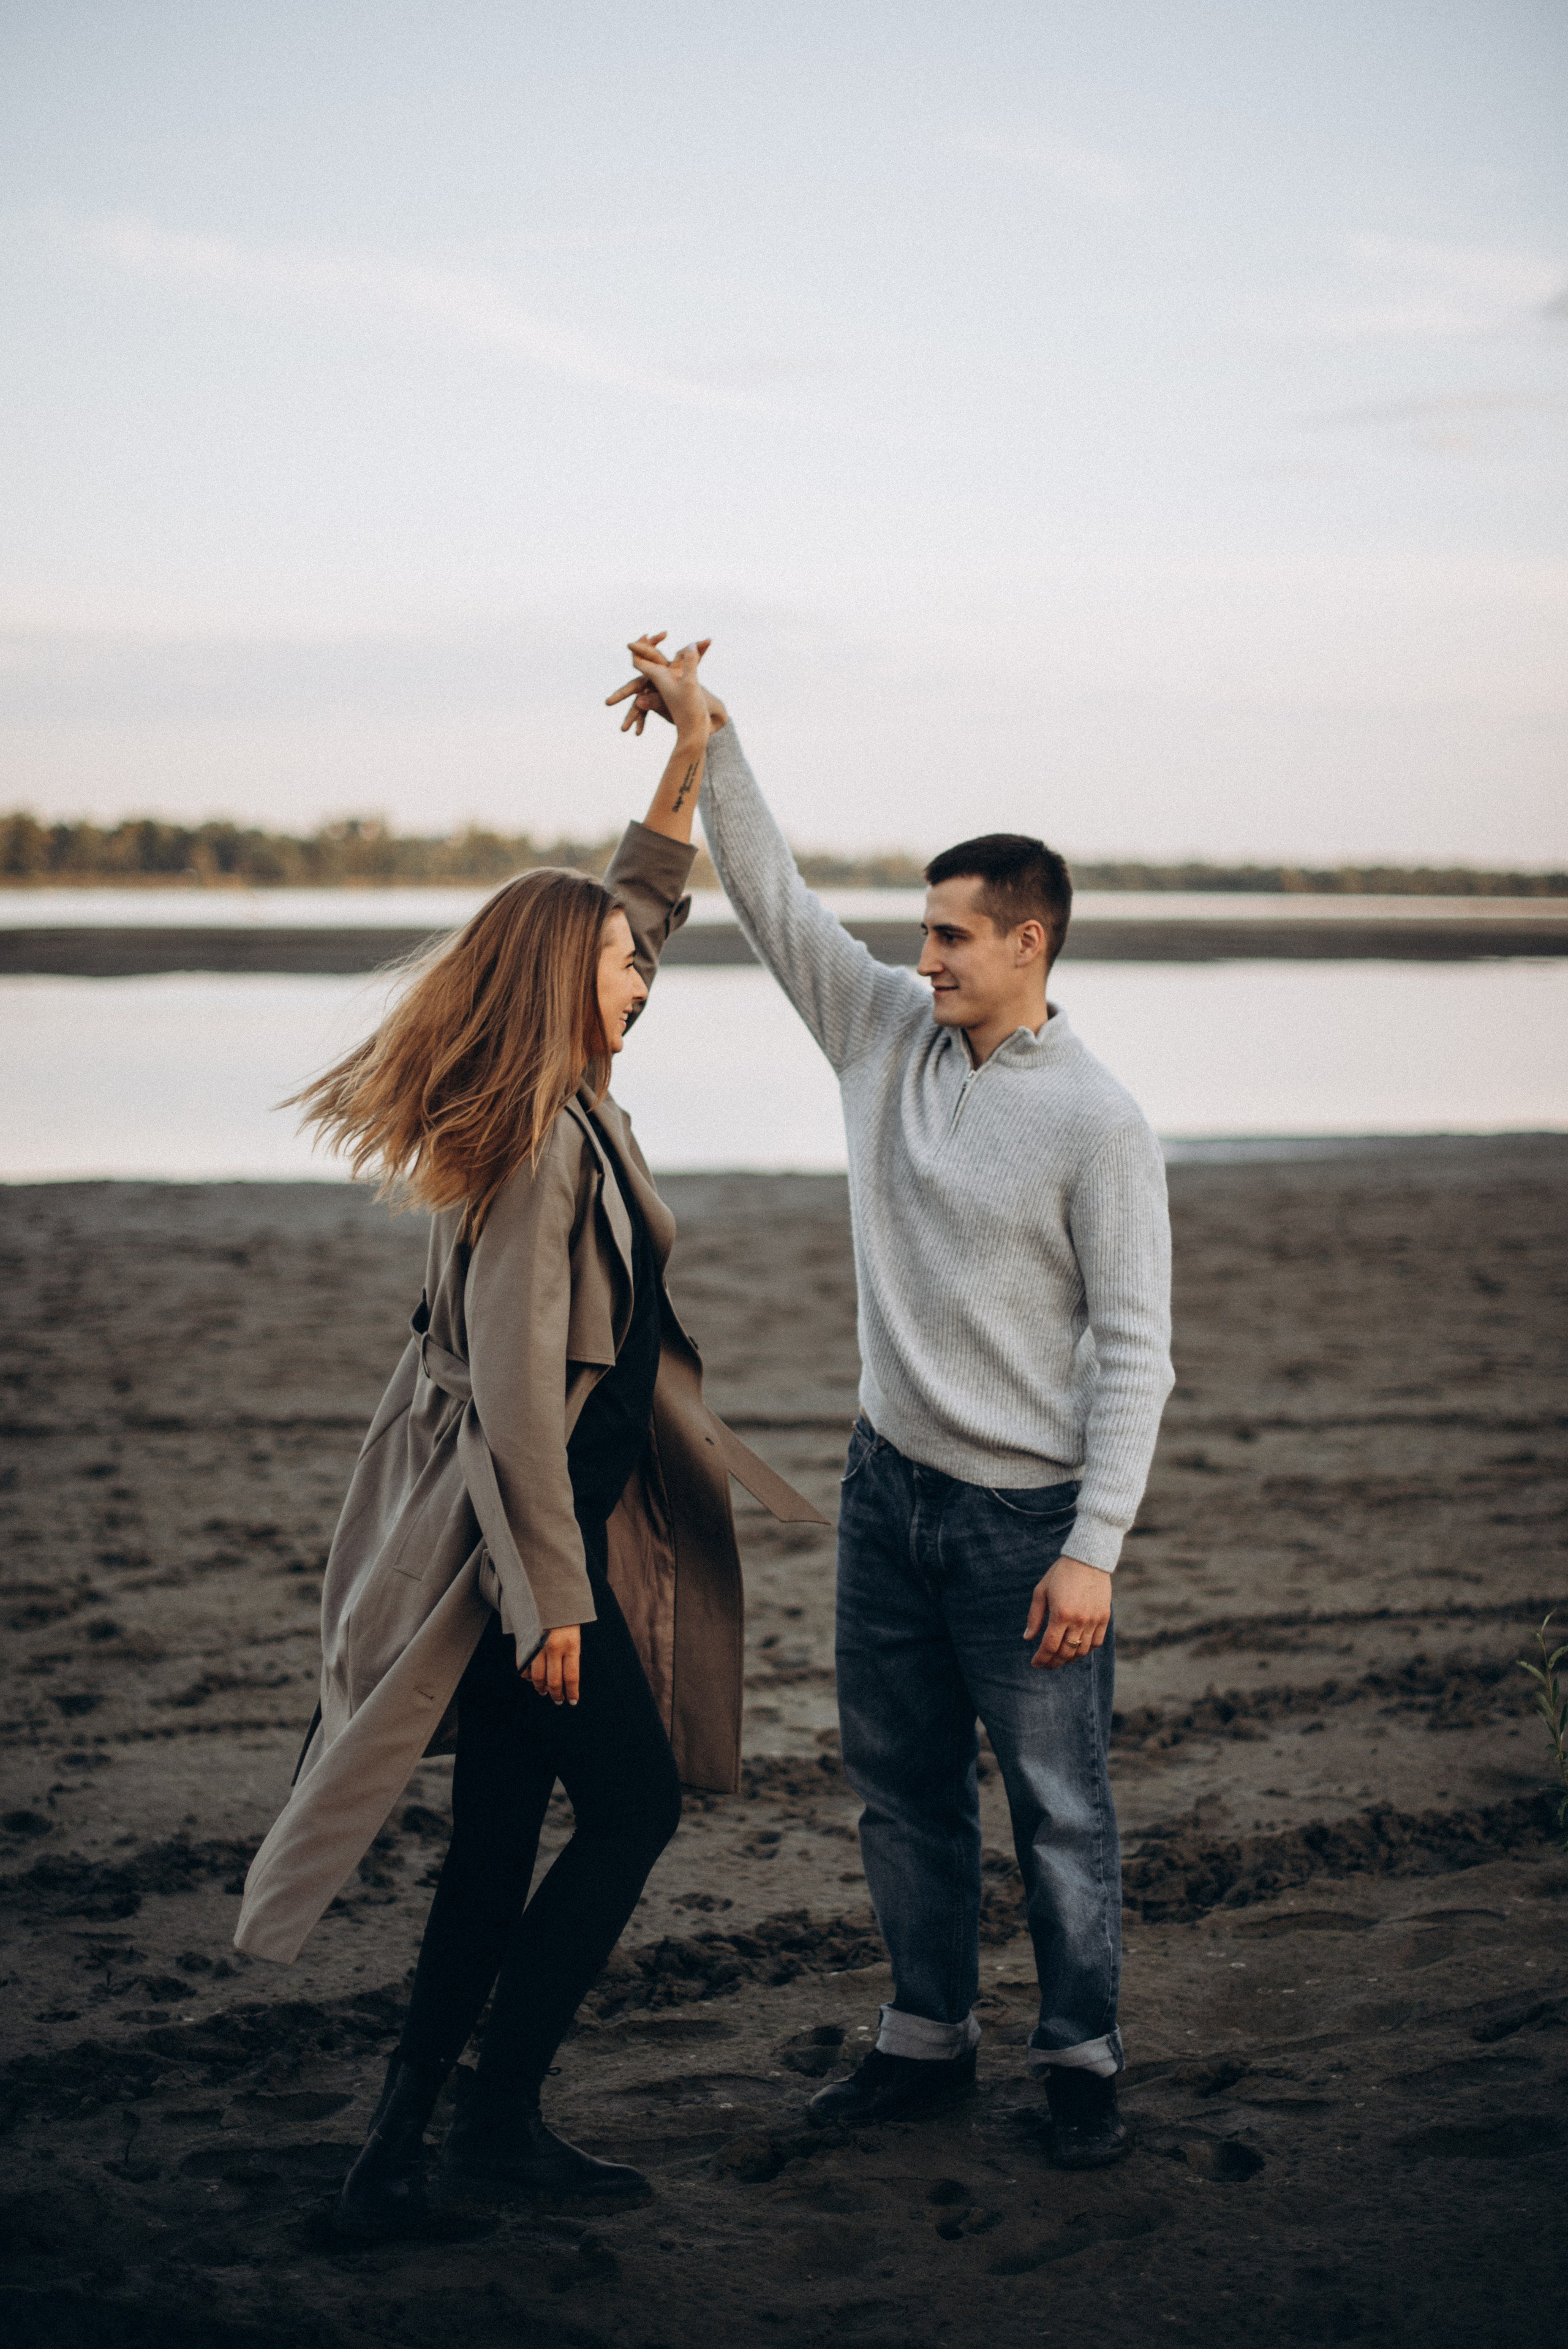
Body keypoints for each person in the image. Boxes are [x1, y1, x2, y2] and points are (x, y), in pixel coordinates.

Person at [233, 645, 823, 2237]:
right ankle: (479, 2116)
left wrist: (692, 746)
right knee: (627, 1807)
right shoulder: (536, 1148)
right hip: (517, 1545)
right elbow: (508, 1397)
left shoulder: (556, 1093)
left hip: (527, 1535)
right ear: (572, 981)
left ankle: (412, 2146)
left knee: (498, 1842)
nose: (648, 975)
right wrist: (551, 1602)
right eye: (628, 966)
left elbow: (639, 897)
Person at [609, 635, 1174, 2171]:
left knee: (1058, 1806)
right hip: (887, 1495)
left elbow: (1135, 1350)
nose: (918, 958)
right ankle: (923, 2041)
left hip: (1024, 1525)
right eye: (920, 935)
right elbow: (774, 897)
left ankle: (1080, 2058)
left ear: (1029, 946)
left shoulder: (1098, 1124)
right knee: (901, 1791)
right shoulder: (879, 1036)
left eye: (948, 939)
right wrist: (711, 737)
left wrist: (1095, 1545)